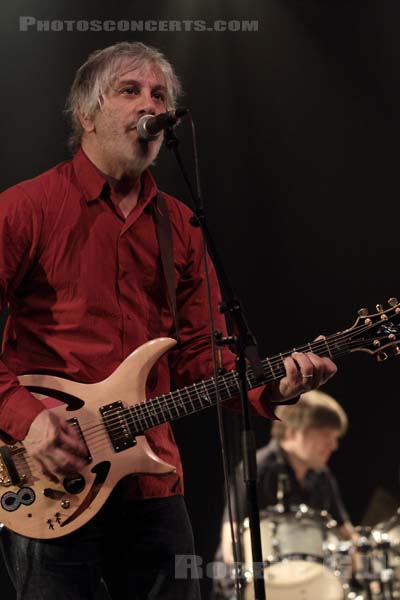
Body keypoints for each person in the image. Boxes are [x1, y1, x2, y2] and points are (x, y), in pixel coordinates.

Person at [0, 41, 337, 600]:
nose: (148, 104)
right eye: (129, 91)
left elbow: (201, 357)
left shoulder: (181, 225)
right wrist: (26, 418)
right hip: (50, 477)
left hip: (153, 482)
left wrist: (272, 386)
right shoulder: (26, 208)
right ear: (85, 114)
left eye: (159, 94)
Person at [213, 390, 352, 599]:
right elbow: (230, 541)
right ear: (292, 432)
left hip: (301, 581)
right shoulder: (257, 468)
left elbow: (346, 531)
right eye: (326, 436)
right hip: (246, 584)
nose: (334, 446)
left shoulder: (322, 476)